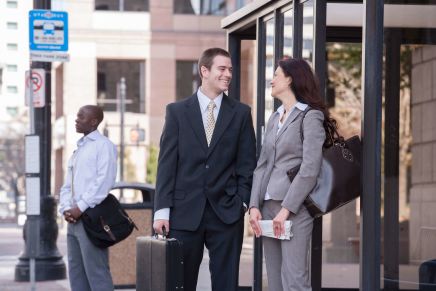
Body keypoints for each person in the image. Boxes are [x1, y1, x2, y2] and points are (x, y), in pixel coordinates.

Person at [153, 47, 257, 291]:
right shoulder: (177, 112)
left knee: (226, 283)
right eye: (222, 69)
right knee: (181, 282)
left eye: (230, 69)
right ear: (204, 71)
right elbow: (166, 165)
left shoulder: (241, 113)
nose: (228, 74)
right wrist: (161, 211)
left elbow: (247, 165)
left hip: (227, 213)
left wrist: (241, 201)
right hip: (183, 214)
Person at [249, 57, 337, 291]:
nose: (272, 80)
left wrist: (286, 210)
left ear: (290, 79)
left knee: (295, 280)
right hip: (267, 207)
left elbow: (310, 168)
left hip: (294, 210)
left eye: (276, 74)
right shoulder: (274, 117)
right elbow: (262, 165)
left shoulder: (310, 116)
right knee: (275, 281)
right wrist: (254, 206)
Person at [59, 105, 117, 291]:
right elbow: (68, 184)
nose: (77, 120)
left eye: (81, 116)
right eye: (77, 116)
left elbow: (104, 182)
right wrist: (66, 208)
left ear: (94, 121)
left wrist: (79, 208)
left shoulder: (104, 146)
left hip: (91, 219)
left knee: (97, 274)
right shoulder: (78, 150)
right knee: (76, 274)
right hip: (73, 220)